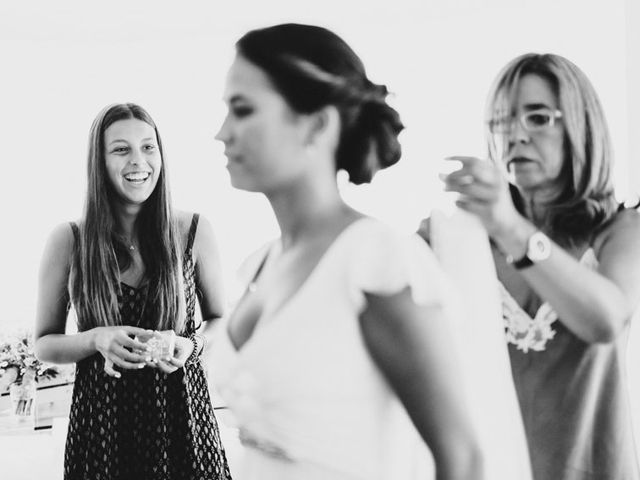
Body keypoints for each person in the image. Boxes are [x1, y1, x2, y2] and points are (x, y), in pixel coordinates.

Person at [209, 22, 491, 480]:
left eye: (242, 110)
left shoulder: (375, 261)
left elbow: (461, 456)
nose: (222, 133)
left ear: (316, 124)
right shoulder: (261, 262)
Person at [440, 53, 640, 479]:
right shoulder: (463, 239)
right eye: (501, 122)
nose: (516, 136)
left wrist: (512, 229)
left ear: (580, 126)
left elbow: (607, 319)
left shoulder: (620, 231)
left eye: (538, 118)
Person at [34, 103, 232, 480]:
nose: (138, 160)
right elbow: (43, 342)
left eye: (148, 146)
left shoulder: (194, 230)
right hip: (102, 433)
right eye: (121, 149)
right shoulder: (69, 240)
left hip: (184, 424)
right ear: (100, 162)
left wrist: (191, 345)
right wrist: (96, 339)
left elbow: (221, 320)